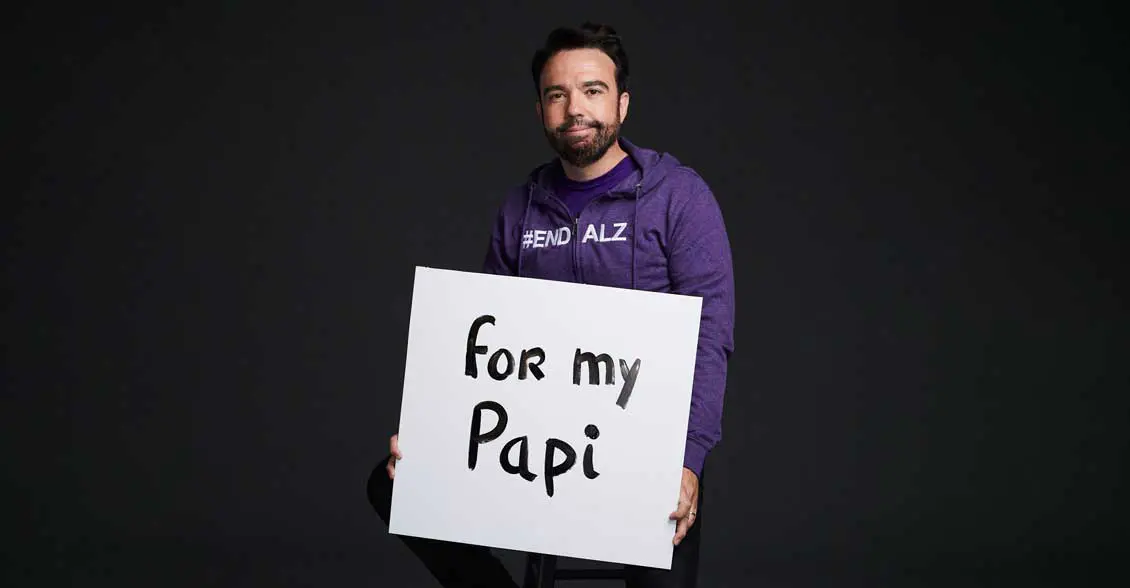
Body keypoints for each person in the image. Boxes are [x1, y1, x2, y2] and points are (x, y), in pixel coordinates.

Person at [367, 22, 735, 588]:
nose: (575, 109)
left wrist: (688, 462)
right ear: (541, 111)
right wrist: (431, 429)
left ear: (622, 103)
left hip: (644, 452)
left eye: (592, 90)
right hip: (536, 445)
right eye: (557, 95)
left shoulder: (679, 197)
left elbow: (710, 339)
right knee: (396, 483)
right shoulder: (521, 207)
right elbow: (486, 339)